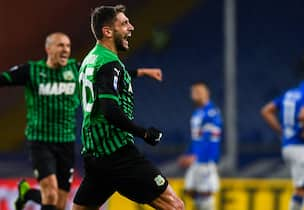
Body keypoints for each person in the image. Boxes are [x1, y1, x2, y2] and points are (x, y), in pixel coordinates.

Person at [72, 5, 184, 210]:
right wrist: (144, 132)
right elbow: (110, 110)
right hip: (117, 152)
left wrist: (140, 72)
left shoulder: (90, 60)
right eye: (124, 23)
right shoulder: (109, 64)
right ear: (107, 31)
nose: (131, 27)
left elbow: (109, 81)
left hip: (94, 154)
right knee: (175, 206)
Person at [0, 32, 80, 210]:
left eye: (68, 46)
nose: (65, 49)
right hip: (40, 141)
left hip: (66, 142)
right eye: (60, 45)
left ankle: (27, 193)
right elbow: (3, 79)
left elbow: (106, 74)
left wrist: (138, 72)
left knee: (58, 204)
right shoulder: (32, 70)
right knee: (50, 194)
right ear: (48, 48)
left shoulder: (76, 69)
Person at [261, 73, 304, 210]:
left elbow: (266, 111)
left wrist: (281, 131)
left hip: (287, 145)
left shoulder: (289, 94)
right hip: (300, 145)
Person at [178, 82, 222, 210]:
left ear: (207, 93)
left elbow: (210, 138)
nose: (195, 94)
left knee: (205, 192)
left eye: (199, 92)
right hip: (196, 158)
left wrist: (197, 156)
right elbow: (196, 138)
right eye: (193, 92)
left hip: (206, 158)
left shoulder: (212, 112)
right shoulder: (197, 113)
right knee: (190, 190)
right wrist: (187, 154)